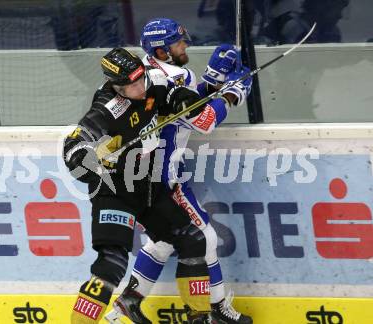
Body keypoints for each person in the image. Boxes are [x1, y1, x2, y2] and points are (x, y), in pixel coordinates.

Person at [106, 18, 253, 324]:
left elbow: (184, 105)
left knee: (161, 243)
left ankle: (121, 311)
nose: (185, 45)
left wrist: (210, 83)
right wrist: (232, 94)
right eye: (178, 42)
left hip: (137, 178)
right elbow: (204, 119)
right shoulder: (175, 76)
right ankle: (216, 310)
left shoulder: (143, 69)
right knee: (204, 237)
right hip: (162, 179)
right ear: (162, 51)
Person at [64, 47, 222, 324]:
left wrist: (182, 98)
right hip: (114, 190)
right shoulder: (107, 106)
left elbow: (168, 94)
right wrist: (80, 156)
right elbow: (76, 141)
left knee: (192, 240)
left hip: (148, 186)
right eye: (132, 85)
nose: (140, 87)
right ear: (116, 86)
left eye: (141, 79)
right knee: (111, 264)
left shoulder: (152, 79)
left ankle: (199, 317)